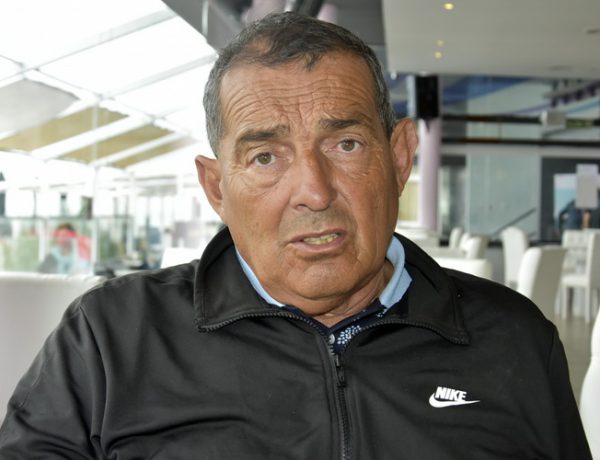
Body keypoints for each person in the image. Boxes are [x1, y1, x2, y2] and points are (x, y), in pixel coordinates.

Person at [0, 12, 592, 459]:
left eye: (346, 144)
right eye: (265, 157)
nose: (314, 190)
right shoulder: (110, 338)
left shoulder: (513, 340)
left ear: (399, 158)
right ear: (217, 188)